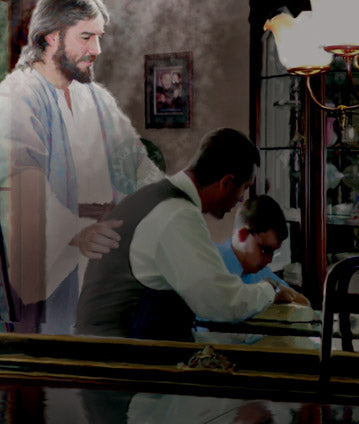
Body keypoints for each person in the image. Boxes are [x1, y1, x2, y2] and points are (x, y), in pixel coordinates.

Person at [0, 0, 163, 334]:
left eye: (99, 37)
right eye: (86, 37)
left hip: (103, 256)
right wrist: (78, 231)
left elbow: (138, 164)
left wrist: (171, 202)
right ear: (50, 37)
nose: (97, 49)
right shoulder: (18, 95)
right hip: (53, 269)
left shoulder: (96, 99)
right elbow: (18, 188)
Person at [76, 128, 301, 341]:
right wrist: (269, 289)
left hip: (113, 350)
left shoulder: (154, 197)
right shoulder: (177, 214)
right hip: (123, 362)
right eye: (243, 188)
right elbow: (221, 302)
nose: (241, 200)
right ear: (227, 183)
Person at [219, 194, 309, 305]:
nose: (269, 260)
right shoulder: (212, 263)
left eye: (273, 252)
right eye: (265, 250)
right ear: (243, 235)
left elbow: (303, 302)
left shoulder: (259, 271)